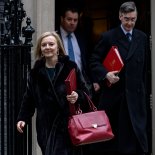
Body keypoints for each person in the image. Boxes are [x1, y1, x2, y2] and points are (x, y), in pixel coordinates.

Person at [89, 1, 149, 155]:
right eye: (127, 19)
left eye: (133, 19)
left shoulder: (142, 38)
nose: (130, 23)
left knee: (137, 144)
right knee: (116, 146)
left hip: (136, 101)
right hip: (116, 101)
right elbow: (93, 61)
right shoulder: (109, 37)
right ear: (120, 17)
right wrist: (105, 74)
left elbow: (146, 70)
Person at [16, 31, 89, 155]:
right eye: (44, 45)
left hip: (68, 126)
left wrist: (77, 95)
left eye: (51, 44)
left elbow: (86, 91)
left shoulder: (70, 67)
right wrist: (22, 118)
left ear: (58, 48)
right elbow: (29, 98)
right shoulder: (35, 73)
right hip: (46, 127)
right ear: (40, 48)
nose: (47, 47)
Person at [56, 5, 92, 92]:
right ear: (62, 19)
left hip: (81, 85)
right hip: (61, 85)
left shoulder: (82, 37)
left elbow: (87, 61)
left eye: (75, 20)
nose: (72, 22)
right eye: (69, 19)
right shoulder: (55, 36)